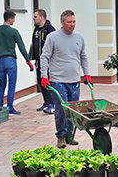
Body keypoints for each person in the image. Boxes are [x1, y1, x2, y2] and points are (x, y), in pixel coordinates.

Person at [40, 10, 92, 148]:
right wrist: (44, 76)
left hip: (74, 80)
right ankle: (61, 136)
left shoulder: (79, 37)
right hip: (58, 80)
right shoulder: (53, 37)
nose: (72, 24)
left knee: (73, 110)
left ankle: (70, 135)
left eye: (74, 22)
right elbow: (44, 56)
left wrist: (87, 74)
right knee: (62, 109)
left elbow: (83, 56)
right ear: (62, 22)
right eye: (69, 22)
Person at [0, 10, 34, 115]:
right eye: (14, 18)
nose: (14, 20)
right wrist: (28, 60)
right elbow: (21, 47)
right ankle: (10, 108)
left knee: (2, 84)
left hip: (0, 60)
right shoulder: (13, 32)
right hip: (10, 60)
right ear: (10, 18)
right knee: (11, 84)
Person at [29, 9, 56, 114]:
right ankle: (46, 102)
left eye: (35, 17)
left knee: (48, 82)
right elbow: (34, 44)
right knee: (41, 82)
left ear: (41, 17)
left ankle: (52, 103)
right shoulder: (36, 29)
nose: (33, 19)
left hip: (48, 62)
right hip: (39, 61)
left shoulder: (49, 30)